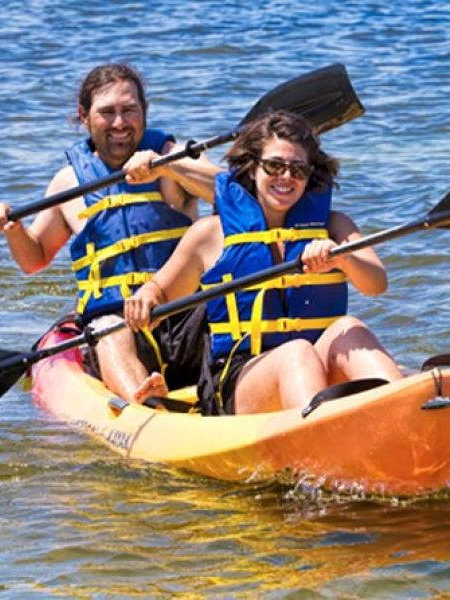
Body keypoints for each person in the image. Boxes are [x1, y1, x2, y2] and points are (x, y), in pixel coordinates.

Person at [123, 110, 403, 415]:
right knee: (296, 353)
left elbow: (377, 283)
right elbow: (161, 292)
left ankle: (406, 414)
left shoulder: (334, 226)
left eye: (298, 170)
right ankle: (319, 436)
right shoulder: (209, 234)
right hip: (240, 377)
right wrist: (145, 298)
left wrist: (343, 258)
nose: (286, 177)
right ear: (252, 168)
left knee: (351, 328)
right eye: (274, 166)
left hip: (315, 362)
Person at [0, 63, 218, 404]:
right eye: (107, 112)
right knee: (109, 331)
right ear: (84, 115)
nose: (120, 123)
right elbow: (34, 259)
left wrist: (169, 166)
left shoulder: (173, 157)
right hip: (119, 321)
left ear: (144, 111)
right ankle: (147, 403)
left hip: (184, 312)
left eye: (129, 110)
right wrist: (12, 229)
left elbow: (231, 193)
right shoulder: (68, 183)